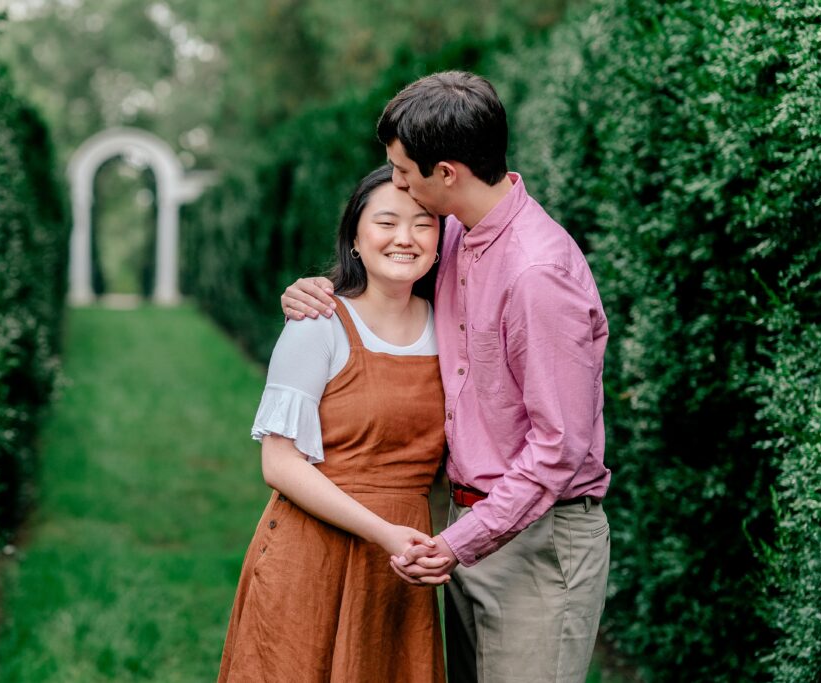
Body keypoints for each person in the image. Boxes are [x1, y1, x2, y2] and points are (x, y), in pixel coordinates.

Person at [280, 71, 612, 683]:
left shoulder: (538, 274)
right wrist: (310, 292)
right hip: (469, 527)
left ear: (447, 174)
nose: (399, 185)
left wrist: (462, 542)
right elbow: (385, 288)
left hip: (537, 540)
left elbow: (558, 447)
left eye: (404, 173)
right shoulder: (453, 234)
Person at [219, 165, 448, 683]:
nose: (405, 239)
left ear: (440, 243)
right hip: (312, 555)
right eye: (386, 222)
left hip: (399, 566)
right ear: (355, 240)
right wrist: (384, 532)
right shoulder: (317, 324)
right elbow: (279, 463)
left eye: (423, 224)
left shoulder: (452, 326)